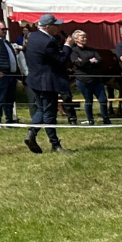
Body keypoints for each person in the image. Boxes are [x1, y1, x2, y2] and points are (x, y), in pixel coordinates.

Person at [21, 13, 69, 151]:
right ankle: (54, 144)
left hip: (35, 80)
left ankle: (32, 134)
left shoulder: (33, 37)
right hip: (47, 82)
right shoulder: (48, 42)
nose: (58, 28)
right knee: (49, 113)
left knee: (41, 109)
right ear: (48, 27)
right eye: (56, 25)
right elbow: (60, 60)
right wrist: (67, 46)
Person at [64, 29, 111, 124]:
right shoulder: (74, 52)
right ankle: (90, 120)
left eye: (85, 37)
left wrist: (85, 62)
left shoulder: (92, 50)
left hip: (96, 79)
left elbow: (99, 60)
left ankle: (106, 119)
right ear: (76, 39)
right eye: (82, 37)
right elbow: (78, 65)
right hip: (83, 80)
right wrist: (90, 61)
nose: (85, 39)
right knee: (88, 100)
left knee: (103, 100)